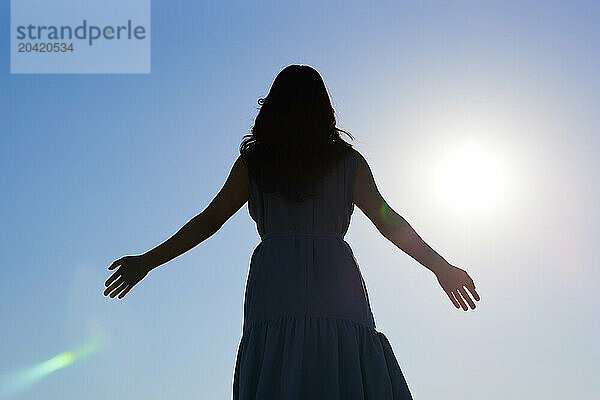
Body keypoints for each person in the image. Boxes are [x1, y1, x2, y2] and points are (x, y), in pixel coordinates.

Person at [104, 64, 480, 399]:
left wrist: (148, 261)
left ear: (271, 109)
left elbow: (208, 220)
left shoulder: (257, 162)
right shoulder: (345, 162)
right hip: (335, 280)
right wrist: (440, 267)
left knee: (279, 368)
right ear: (325, 110)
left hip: (276, 279)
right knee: (342, 367)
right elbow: (389, 222)